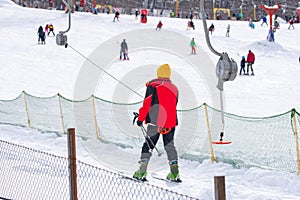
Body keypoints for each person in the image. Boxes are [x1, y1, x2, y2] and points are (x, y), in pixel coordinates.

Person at [133, 64, 180, 182]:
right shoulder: (175, 88)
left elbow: (147, 103)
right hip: (170, 122)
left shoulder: (153, 86)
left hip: (155, 121)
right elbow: (173, 104)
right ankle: (174, 173)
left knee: (148, 145)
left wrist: (140, 119)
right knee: (170, 146)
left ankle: (141, 171)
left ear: (158, 73)